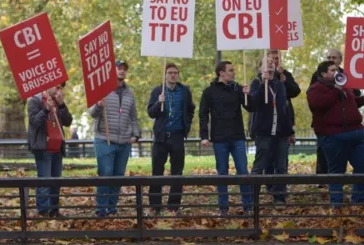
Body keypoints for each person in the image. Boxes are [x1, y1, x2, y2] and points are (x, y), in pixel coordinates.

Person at [307, 61, 364, 207]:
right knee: (336, 171)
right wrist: (336, 90)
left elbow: (350, 104)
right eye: (333, 70)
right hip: (333, 136)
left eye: (338, 69)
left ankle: (359, 201)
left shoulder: (345, 87)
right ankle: (337, 204)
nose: (337, 72)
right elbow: (317, 105)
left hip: (356, 134)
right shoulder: (315, 89)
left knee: (362, 166)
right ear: (323, 73)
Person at [199, 61, 252, 214]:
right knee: (222, 173)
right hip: (219, 138)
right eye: (231, 70)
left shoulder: (238, 89)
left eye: (233, 70)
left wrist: (248, 95)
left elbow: (250, 107)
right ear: (221, 73)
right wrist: (204, 136)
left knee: (243, 172)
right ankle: (223, 208)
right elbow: (203, 114)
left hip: (237, 137)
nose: (234, 73)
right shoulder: (209, 91)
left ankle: (248, 207)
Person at [90, 60, 140, 217]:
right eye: (119, 68)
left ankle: (112, 210)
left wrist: (135, 135)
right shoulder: (102, 90)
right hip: (104, 139)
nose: (122, 71)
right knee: (106, 175)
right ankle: (101, 211)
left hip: (124, 142)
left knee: (118, 177)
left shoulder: (129, 93)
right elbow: (92, 113)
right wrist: (98, 105)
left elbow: (133, 117)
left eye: (124, 69)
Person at [147, 62, 195, 214]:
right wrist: (158, 102)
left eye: (175, 73)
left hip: (177, 137)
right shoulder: (157, 91)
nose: (173, 75)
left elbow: (191, 109)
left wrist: (186, 125)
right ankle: (155, 206)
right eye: (170, 73)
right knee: (157, 172)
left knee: (177, 172)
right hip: (160, 138)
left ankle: (173, 206)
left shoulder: (184, 91)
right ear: (165, 75)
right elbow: (151, 112)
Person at [249, 57, 293, 205]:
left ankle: (279, 197)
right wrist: (263, 83)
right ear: (260, 68)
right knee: (259, 165)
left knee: (281, 166)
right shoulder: (256, 83)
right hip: (264, 131)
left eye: (271, 62)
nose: (270, 64)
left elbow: (284, 108)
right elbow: (253, 103)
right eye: (266, 63)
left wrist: (289, 130)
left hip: (281, 132)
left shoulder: (280, 85)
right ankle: (252, 198)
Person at [27, 84, 73, 217]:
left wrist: (62, 105)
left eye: (61, 88)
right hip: (43, 146)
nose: (59, 91)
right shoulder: (35, 100)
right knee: (44, 180)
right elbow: (34, 122)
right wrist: (46, 110)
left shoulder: (58, 102)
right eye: (57, 87)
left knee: (56, 181)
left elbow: (68, 121)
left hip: (57, 146)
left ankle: (54, 209)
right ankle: (43, 211)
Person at [311, 48, 344, 181]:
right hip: (323, 123)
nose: (331, 59)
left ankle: (336, 178)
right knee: (322, 151)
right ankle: (321, 178)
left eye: (334, 58)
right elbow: (314, 98)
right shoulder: (317, 74)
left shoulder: (344, 75)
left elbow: (355, 94)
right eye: (329, 57)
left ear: (340, 60)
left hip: (340, 123)